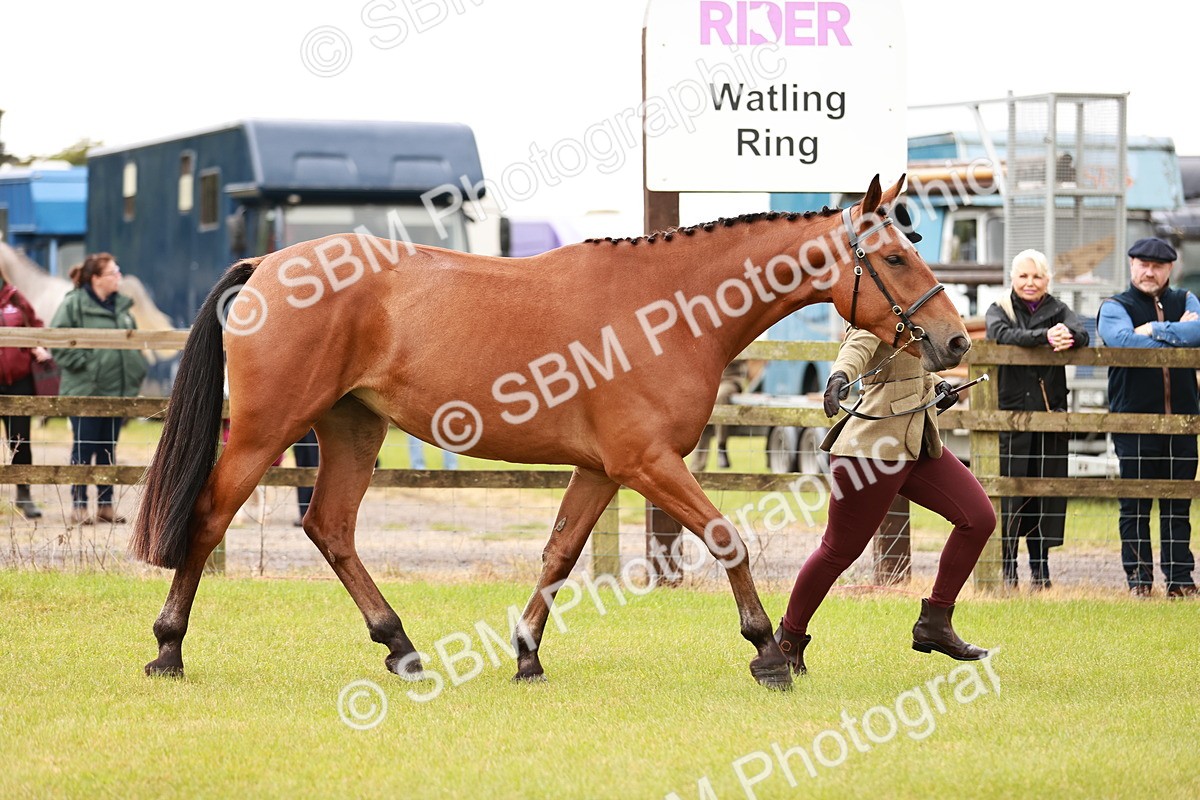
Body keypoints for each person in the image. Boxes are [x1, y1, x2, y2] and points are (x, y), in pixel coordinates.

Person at [774, 327, 996, 674]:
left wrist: (937, 385)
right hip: (869, 453)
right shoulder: (874, 315)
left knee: (978, 518)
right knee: (838, 551)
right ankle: (786, 641)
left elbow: (911, 369)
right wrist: (838, 377)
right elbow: (855, 349)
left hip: (915, 442)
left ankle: (935, 624)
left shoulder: (916, 314)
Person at [1097, 237, 1200, 598]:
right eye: (1142, 264)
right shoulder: (1114, 305)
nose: (1149, 271)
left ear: (1170, 268)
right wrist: (1179, 336)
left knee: (1178, 504)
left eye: (1157, 266)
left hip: (1184, 422)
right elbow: (1122, 341)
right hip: (1132, 423)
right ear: (1131, 265)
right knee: (1135, 504)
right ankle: (1139, 581)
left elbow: (1199, 332)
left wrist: (1156, 329)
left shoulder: (1186, 300)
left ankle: (1180, 581)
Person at [985, 249, 1089, 590]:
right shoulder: (999, 308)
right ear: (1013, 279)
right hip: (1010, 417)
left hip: (1049, 416)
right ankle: (1008, 568)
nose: (1030, 283)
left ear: (1047, 280)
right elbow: (1002, 335)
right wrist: (1045, 337)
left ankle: (1041, 571)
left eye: (1037, 276)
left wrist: (1068, 337)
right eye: (1024, 276)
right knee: (1010, 494)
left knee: (1045, 494)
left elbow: (1082, 334)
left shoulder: (1060, 309)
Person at [50, 254, 147, 525]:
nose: (119, 277)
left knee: (107, 449)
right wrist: (87, 365)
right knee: (83, 449)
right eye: (113, 273)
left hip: (116, 392)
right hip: (85, 391)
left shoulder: (122, 309)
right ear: (96, 279)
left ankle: (105, 505)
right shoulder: (73, 305)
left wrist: (135, 369)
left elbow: (134, 344)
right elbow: (56, 341)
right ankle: (79, 506)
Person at [0, 267, 53, 519]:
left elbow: (36, 326)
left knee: (20, 440)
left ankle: (24, 494)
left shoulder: (16, 298)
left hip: (19, 382)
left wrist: (39, 346)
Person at [689, 360, 749, 470]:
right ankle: (696, 469)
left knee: (721, 396)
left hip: (730, 380)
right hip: (711, 380)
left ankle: (721, 445)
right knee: (704, 413)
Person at [293, 429, 319, 526]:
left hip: (318, 422)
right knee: (302, 463)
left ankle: (316, 513)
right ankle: (304, 512)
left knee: (315, 462)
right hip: (301, 421)